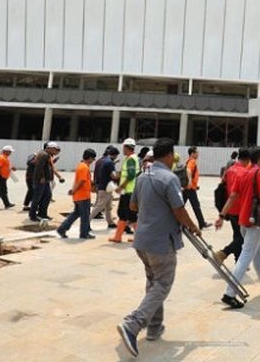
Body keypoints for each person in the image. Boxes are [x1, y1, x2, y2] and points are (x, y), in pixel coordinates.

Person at [116, 138, 201, 357]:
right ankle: (133, 324)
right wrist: (193, 227)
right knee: (163, 283)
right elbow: (179, 209)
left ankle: (154, 327)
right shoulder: (170, 178)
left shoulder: (143, 176)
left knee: (154, 281)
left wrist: (153, 206)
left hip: (142, 240)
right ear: (170, 155)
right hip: (160, 242)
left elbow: (133, 205)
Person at [216, 146, 260, 309]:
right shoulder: (259, 173)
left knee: (256, 255)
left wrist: (222, 215)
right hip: (254, 222)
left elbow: (232, 196)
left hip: (243, 220)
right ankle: (229, 293)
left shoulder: (244, 172)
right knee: (246, 256)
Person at [214, 147, 250, 264]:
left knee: (237, 235)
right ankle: (224, 252)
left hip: (231, 209)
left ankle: (238, 260)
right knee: (243, 237)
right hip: (241, 209)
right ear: (248, 160)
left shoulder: (229, 170)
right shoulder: (244, 173)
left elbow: (222, 186)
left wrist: (222, 213)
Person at [57, 149, 97, 240]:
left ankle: (62, 229)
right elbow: (81, 181)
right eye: (93, 159)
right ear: (90, 158)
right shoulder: (84, 167)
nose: (93, 161)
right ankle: (84, 233)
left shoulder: (81, 166)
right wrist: (73, 190)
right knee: (85, 216)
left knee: (76, 213)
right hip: (83, 196)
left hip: (79, 196)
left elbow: (84, 180)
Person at [110, 138, 140, 243]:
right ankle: (118, 237)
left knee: (131, 216)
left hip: (129, 192)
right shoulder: (132, 158)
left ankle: (139, 238)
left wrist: (121, 187)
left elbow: (131, 175)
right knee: (122, 213)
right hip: (127, 192)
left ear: (126, 147)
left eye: (123, 147)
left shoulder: (131, 159)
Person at [29, 142, 63, 221]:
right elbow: (39, 167)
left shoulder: (47, 155)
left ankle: (42, 213)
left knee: (47, 196)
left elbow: (48, 167)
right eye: (55, 150)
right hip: (40, 181)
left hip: (45, 181)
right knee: (37, 198)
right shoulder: (43, 155)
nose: (56, 152)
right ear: (49, 148)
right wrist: (42, 177)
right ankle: (32, 215)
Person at [90, 145, 119, 228]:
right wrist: (121, 175)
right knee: (99, 206)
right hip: (106, 188)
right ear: (115, 155)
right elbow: (113, 176)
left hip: (103, 186)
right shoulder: (110, 162)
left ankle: (110, 222)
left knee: (108, 207)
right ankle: (86, 221)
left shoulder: (102, 161)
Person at [183, 146, 211, 229]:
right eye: (197, 152)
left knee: (181, 205)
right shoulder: (192, 161)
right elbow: (188, 170)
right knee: (196, 206)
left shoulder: (188, 161)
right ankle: (202, 223)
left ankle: (176, 220)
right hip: (190, 188)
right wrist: (190, 182)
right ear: (192, 154)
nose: (198, 154)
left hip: (189, 187)